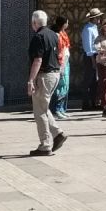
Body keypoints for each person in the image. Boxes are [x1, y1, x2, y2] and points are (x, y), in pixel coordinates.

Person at [26, 9, 67, 156]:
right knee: (43, 107)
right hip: (55, 74)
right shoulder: (53, 35)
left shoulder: (39, 37)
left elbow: (38, 60)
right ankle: (57, 133)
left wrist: (31, 80)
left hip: (44, 76)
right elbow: (60, 55)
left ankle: (45, 145)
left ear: (34, 23)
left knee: (40, 113)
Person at [79, 8, 102, 110]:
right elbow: (88, 46)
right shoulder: (88, 29)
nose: (99, 19)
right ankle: (86, 102)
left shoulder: (95, 28)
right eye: (98, 17)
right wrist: (92, 59)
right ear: (94, 18)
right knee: (88, 80)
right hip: (90, 57)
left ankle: (94, 102)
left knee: (94, 81)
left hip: (96, 55)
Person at [52, 16, 72, 119]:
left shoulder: (63, 34)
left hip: (66, 61)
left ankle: (62, 108)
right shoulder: (57, 35)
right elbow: (59, 50)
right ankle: (57, 109)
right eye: (67, 22)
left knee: (66, 85)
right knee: (61, 86)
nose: (68, 24)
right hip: (61, 62)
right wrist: (61, 64)